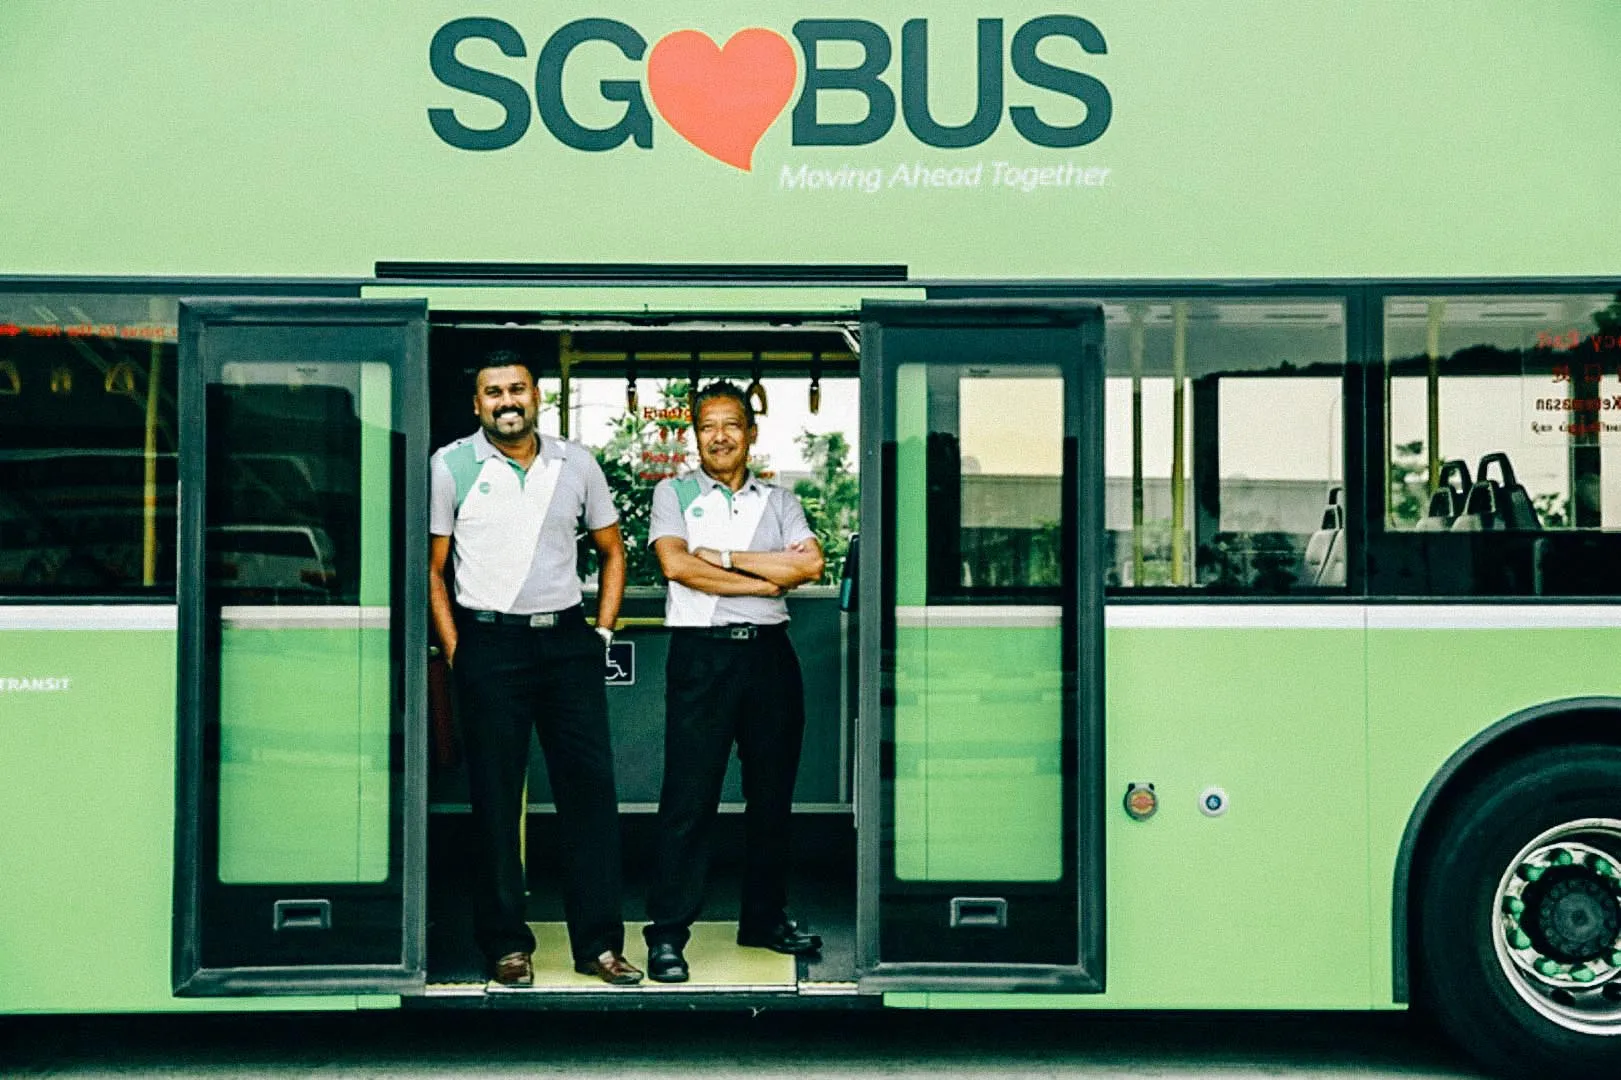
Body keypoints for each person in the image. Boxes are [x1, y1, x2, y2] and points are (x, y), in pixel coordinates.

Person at [428, 351, 642, 987]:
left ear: (536, 396)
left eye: (516, 388)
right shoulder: (451, 465)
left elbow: (612, 550)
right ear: (477, 404)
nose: (506, 400)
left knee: (590, 799)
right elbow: (434, 571)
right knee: (494, 804)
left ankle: (599, 946)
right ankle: (505, 946)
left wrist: (600, 632)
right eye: (492, 391)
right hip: (489, 648)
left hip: (567, 645)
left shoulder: (576, 463)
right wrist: (459, 651)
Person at [642, 381, 826, 983]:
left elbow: (809, 564)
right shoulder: (673, 493)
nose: (718, 436)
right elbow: (675, 564)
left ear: (750, 433)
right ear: (695, 436)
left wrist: (718, 559)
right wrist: (764, 580)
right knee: (688, 799)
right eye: (707, 426)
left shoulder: (779, 499)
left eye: (730, 425)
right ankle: (667, 935)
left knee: (772, 798)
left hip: (770, 658)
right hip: (702, 658)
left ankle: (764, 918)